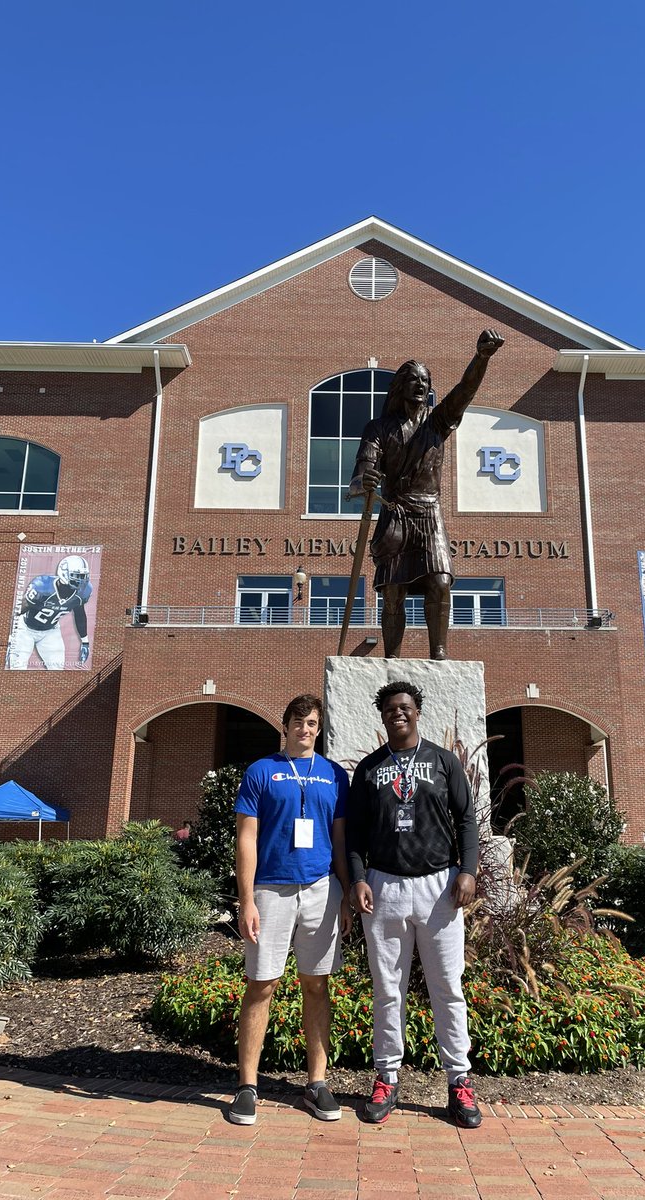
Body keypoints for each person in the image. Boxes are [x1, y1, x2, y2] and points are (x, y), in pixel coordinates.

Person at [347, 681, 481, 1128]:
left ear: (417, 712)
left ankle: (459, 1082)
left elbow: (465, 817)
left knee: (447, 988)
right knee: (388, 990)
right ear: (382, 716)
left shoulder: (444, 762)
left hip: (438, 887)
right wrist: (359, 879)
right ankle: (386, 1076)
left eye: (404, 708)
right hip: (385, 887)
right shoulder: (369, 769)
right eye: (389, 710)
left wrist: (468, 870)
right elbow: (354, 837)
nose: (397, 715)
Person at [347, 329, 504, 660]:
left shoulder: (437, 423)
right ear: (401, 386)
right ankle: (392, 658)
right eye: (413, 379)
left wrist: (481, 358)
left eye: (425, 380)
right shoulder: (379, 429)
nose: (420, 384)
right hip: (396, 515)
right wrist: (366, 480)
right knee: (392, 593)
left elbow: (465, 392)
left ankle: (439, 654)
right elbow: (359, 476)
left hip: (430, 515)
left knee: (440, 581)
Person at [231, 693, 350, 1125]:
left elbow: (339, 840)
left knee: (316, 985)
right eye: (298, 722)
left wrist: (347, 893)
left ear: (320, 729)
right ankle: (247, 1086)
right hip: (271, 891)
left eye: (313, 723)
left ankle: (316, 1084)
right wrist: (246, 900)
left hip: (321, 890)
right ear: (285, 726)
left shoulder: (334, 775)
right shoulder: (262, 771)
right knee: (261, 984)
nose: (305, 729)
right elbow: (246, 837)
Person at [8, 555, 92, 670]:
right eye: (77, 576)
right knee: (16, 668)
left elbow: (80, 614)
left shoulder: (82, 593)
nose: (81, 580)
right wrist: (9, 635)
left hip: (50, 631)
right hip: (25, 629)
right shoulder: (43, 586)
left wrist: (85, 641)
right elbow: (19, 610)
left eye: (83, 576)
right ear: (64, 573)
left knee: (57, 670)